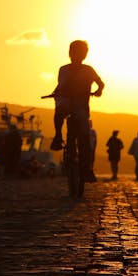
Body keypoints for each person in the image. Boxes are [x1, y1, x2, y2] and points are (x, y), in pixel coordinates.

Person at [49, 40, 104, 181]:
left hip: (80, 107)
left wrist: (99, 90)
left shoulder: (86, 70)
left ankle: (87, 168)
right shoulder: (65, 69)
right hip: (69, 105)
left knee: (85, 138)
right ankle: (58, 136)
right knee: (60, 112)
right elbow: (61, 86)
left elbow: (101, 83)